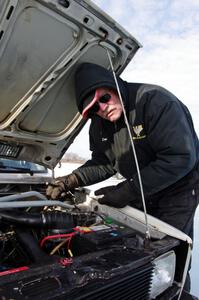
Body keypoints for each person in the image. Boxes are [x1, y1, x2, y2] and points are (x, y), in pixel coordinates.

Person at [46, 62, 199, 291]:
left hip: (178, 189)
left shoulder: (155, 101)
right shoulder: (100, 124)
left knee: (168, 254)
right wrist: (71, 180)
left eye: (104, 98)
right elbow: (104, 162)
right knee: (134, 246)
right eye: (94, 108)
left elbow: (180, 157)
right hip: (141, 186)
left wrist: (128, 190)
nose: (103, 109)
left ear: (114, 85)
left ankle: (176, 291)